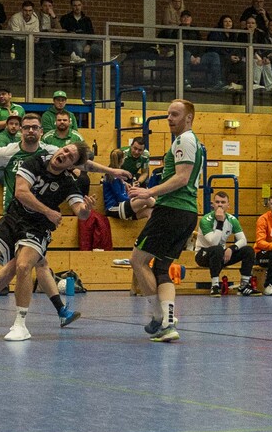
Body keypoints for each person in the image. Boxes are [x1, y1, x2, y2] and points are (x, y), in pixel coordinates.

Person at [0, 113, 116, 328]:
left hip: (37, 224)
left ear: (41, 131)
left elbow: (84, 165)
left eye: (34, 127)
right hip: (15, 213)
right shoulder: (13, 153)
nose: (30, 131)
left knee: (27, 265)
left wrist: (110, 173)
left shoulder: (51, 153)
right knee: (23, 265)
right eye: (26, 127)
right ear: (21, 130)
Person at [0, 142, 96, 341]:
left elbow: (80, 213)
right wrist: (48, 211)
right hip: (14, 218)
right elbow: (21, 193)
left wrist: (86, 210)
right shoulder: (34, 162)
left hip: (37, 228)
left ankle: (20, 325)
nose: (64, 155)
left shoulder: (68, 182)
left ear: (71, 165)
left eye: (70, 157)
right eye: (65, 150)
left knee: (23, 266)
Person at [127, 99, 202, 342]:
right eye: (168, 114)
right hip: (186, 212)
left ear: (188, 118)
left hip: (172, 211)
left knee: (137, 260)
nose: (169, 118)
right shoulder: (193, 142)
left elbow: (182, 178)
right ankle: (169, 324)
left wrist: (149, 192)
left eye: (175, 114)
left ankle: (158, 316)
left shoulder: (184, 140)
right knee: (161, 268)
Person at [195, 191, 259, 296]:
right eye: (217, 202)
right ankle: (215, 286)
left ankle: (244, 285)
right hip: (203, 255)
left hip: (221, 255)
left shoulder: (232, 220)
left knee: (248, 250)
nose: (220, 205)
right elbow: (214, 242)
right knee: (217, 249)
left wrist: (231, 248)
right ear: (213, 204)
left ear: (228, 205)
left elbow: (243, 240)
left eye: (223, 202)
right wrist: (220, 222)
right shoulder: (206, 220)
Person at [103, 148, 155, 221]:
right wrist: (133, 199)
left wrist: (129, 189)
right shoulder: (112, 175)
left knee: (150, 212)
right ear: (122, 160)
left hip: (122, 206)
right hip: (113, 208)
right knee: (147, 199)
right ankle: (162, 209)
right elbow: (119, 197)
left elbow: (122, 192)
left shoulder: (118, 174)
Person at [60, 0, 101, 64]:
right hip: (73, 42)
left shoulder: (86, 19)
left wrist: (88, 45)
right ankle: (79, 68)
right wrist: (70, 33)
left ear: (82, 6)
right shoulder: (65, 18)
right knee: (77, 47)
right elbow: (62, 32)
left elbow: (91, 33)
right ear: (71, 6)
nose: (77, 7)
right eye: (75, 5)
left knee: (97, 48)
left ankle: (105, 63)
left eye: (79, 5)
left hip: (86, 42)